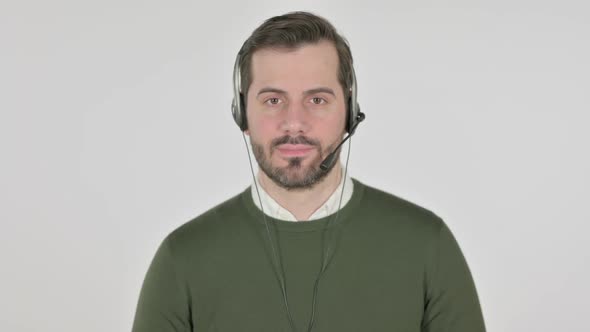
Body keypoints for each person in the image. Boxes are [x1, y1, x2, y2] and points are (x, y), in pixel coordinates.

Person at [132, 11, 486, 332]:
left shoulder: (427, 245)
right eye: (273, 100)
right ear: (242, 115)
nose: (294, 122)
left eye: (317, 99)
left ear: (349, 111)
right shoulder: (181, 259)